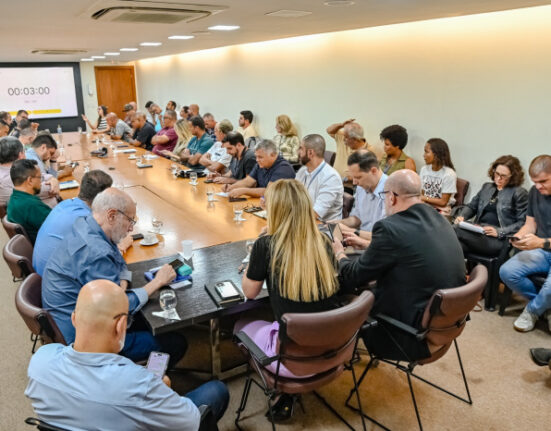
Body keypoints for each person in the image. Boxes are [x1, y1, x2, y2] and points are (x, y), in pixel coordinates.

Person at [26, 280, 229, 430]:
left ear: (74, 318)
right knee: (216, 390)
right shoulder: (140, 384)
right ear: (121, 325)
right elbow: (191, 421)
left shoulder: (40, 361)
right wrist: (160, 389)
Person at [42, 188, 187, 364]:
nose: (131, 228)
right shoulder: (95, 251)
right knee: (175, 342)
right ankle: (147, 380)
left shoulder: (87, 225)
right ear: (111, 215)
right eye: (130, 220)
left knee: (151, 316)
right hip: (87, 340)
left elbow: (118, 260)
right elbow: (116, 307)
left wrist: (121, 286)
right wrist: (157, 282)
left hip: (79, 317)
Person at [235, 179, 341, 420]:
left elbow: (250, 292)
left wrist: (253, 256)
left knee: (240, 324)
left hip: (290, 361)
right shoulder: (324, 242)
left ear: (275, 210)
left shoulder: (266, 245)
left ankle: (282, 389)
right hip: (332, 350)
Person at [334, 169, 466, 361]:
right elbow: (414, 249)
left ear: (392, 197)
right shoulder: (439, 218)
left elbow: (352, 275)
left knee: (342, 288)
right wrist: (371, 245)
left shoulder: (390, 227)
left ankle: (330, 350)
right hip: (445, 326)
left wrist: (339, 252)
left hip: (405, 334)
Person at [499, 155, 551, 332]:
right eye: (535, 182)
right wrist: (519, 236)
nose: (538, 186)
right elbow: (530, 224)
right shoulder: (535, 192)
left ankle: (533, 311)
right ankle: (545, 306)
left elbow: (540, 241)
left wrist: (541, 242)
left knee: (550, 288)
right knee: (507, 272)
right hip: (542, 251)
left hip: (542, 246)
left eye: (543, 181)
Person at [33, 170, 113, 276]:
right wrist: (122, 246)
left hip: (41, 272)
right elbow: (104, 259)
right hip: (56, 280)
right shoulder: (86, 220)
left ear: (79, 189)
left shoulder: (64, 204)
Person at [454, 155, 528, 257]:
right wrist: (462, 216)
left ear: (513, 176)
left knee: (454, 230)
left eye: (503, 176)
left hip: (498, 239)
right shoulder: (487, 187)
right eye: (497, 173)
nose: (498, 178)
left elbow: (523, 222)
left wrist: (499, 232)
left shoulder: (519, 193)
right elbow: (471, 207)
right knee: (454, 246)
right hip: (478, 232)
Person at [334, 151, 387, 249]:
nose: (354, 182)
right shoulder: (361, 188)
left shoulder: (391, 192)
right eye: (353, 177)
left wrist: (350, 231)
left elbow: (385, 237)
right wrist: (337, 223)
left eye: (358, 177)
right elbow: (357, 219)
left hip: (379, 248)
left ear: (374, 171)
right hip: (360, 243)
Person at [0, 137, 58, 208]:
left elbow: (41, 175)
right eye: (24, 152)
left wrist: (51, 178)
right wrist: (53, 180)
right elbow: (50, 190)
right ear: (21, 155)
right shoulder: (11, 176)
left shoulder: (17, 169)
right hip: (40, 213)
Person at [295, 134, 343, 221]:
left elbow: (315, 213)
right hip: (304, 220)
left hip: (324, 225)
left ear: (310, 153)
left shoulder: (331, 177)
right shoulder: (302, 171)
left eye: (301, 148)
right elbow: (292, 197)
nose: (298, 152)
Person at [225, 140, 295, 198]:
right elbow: (248, 181)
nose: (257, 160)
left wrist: (243, 191)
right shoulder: (260, 164)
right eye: (256, 157)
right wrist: (231, 187)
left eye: (260, 157)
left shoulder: (284, 168)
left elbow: (269, 192)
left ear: (273, 155)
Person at [7, 159, 51, 244]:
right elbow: (59, 227)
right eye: (40, 177)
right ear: (30, 180)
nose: (41, 182)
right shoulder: (31, 205)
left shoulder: (13, 199)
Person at [420, 137, 457, 214]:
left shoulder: (449, 174)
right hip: (425, 206)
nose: (423, 155)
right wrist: (423, 199)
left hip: (441, 210)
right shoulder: (424, 169)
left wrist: (423, 198)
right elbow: (422, 192)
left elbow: (443, 202)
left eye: (426, 152)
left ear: (436, 154)